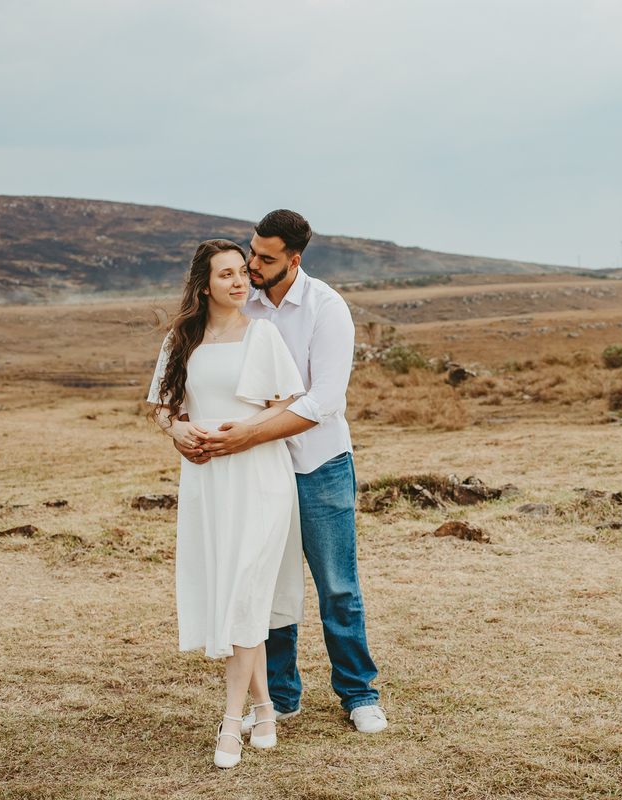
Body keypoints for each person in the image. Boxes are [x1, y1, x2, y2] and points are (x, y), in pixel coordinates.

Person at [174, 210, 387, 734]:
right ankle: (282, 698)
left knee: (336, 585)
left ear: (295, 259)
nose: (252, 266)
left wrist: (248, 433)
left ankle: (359, 695)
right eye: (251, 253)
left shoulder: (325, 308)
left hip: (317, 465)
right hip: (251, 472)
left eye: (265, 259)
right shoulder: (238, 304)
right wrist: (183, 429)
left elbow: (325, 400)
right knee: (263, 585)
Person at [148, 239, 307, 769]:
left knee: (246, 587)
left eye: (243, 272)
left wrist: (249, 430)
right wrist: (181, 432)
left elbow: (288, 401)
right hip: (208, 480)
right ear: (203, 285)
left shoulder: (263, 334)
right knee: (241, 596)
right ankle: (264, 706)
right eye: (226, 275)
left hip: (259, 474)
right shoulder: (182, 339)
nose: (240, 282)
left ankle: (231, 722)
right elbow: (164, 408)